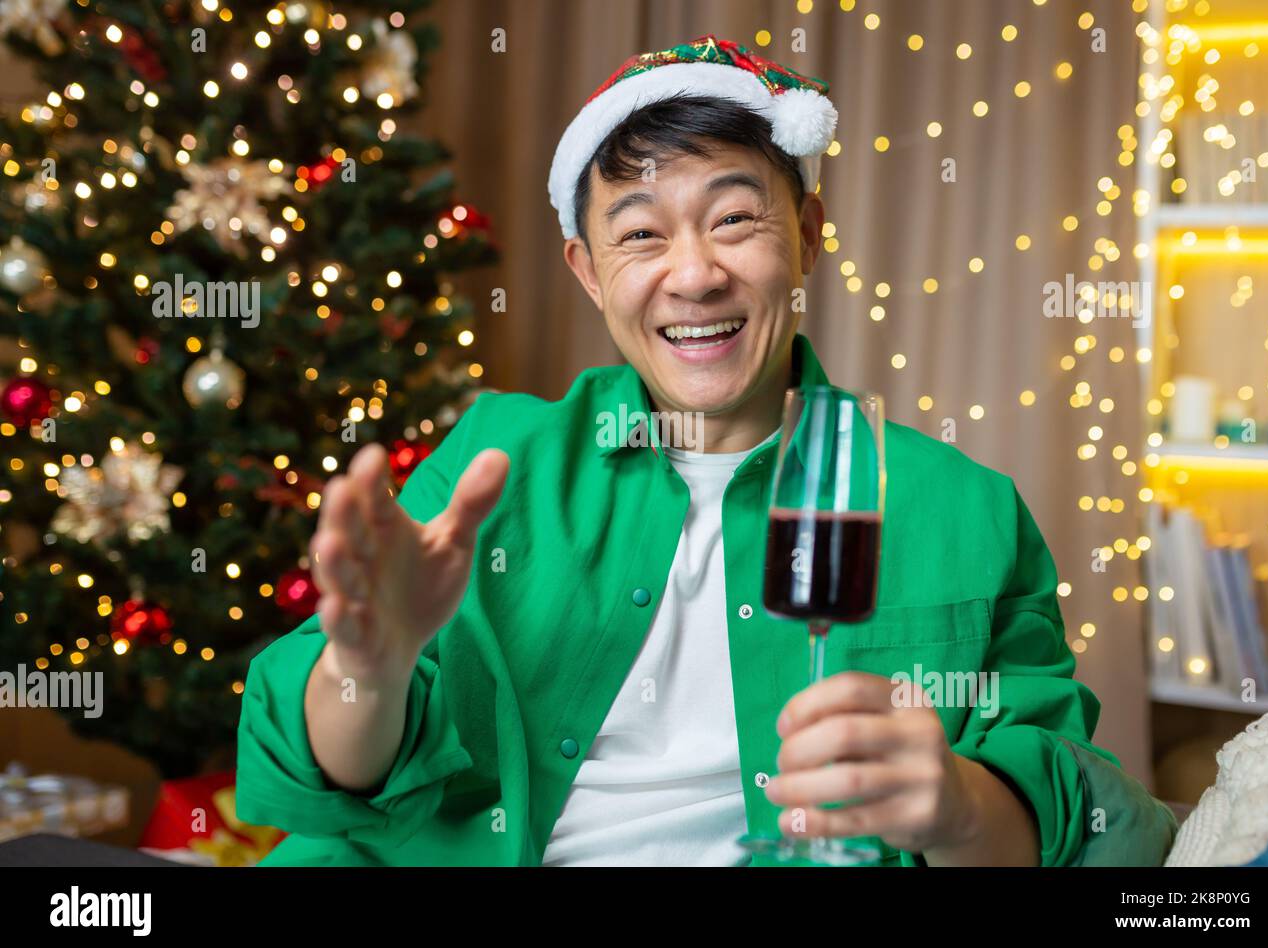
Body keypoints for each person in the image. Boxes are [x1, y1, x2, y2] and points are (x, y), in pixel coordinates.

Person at [236, 34, 1129, 867]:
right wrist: (368, 669)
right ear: (588, 271)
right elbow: (338, 775)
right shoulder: (495, 461)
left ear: (810, 235)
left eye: (736, 219)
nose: (695, 274)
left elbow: (1065, 815)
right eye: (640, 234)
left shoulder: (965, 507)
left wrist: (960, 806)